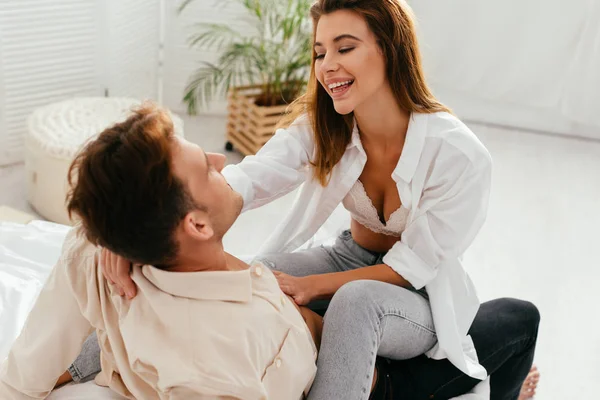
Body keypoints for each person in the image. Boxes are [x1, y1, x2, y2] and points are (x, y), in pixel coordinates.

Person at [78, 1, 543, 399]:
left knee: (354, 302)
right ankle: (73, 364)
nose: (327, 66)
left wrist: (313, 288)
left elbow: (413, 267)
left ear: (388, 47)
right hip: (346, 255)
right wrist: (131, 230)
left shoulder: (458, 154)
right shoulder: (327, 128)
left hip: (415, 291)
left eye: (345, 48)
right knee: (250, 273)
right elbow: (250, 178)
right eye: (321, 52)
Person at [0, 105, 324, 399]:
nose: (222, 160)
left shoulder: (94, 250)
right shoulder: (220, 360)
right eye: (208, 169)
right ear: (197, 226)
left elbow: (19, 381)